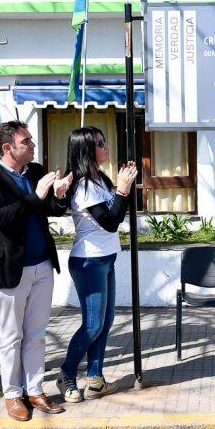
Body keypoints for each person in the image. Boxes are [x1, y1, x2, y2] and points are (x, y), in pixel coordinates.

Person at [0, 120, 73, 422]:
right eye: (26, 141)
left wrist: (58, 195)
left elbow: (53, 210)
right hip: (10, 269)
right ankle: (12, 395)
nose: (32, 145)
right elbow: (1, 218)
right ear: (8, 147)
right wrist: (37, 196)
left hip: (42, 264)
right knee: (12, 335)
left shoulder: (37, 171)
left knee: (37, 334)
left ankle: (35, 389)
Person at [55, 127, 138, 403]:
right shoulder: (84, 185)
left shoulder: (99, 179)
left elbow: (117, 212)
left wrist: (122, 189)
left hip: (106, 258)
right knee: (92, 325)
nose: (106, 145)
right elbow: (111, 221)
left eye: (104, 141)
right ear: (87, 150)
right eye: (100, 143)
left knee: (105, 322)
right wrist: (123, 191)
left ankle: (95, 379)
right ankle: (66, 374)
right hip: (89, 261)